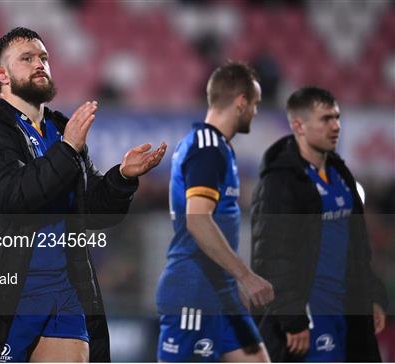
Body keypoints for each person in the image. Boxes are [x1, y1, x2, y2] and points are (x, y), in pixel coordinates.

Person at [0, 27, 166, 362]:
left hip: (63, 291)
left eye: (44, 58)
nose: (40, 64)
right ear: (1, 74)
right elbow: (13, 197)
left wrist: (121, 178)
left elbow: (92, 210)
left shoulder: (59, 132)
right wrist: (66, 151)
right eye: (27, 58)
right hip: (5, 295)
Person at [250, 86, 388, 362]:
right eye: (326, 119)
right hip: (312, 315)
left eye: (337, 118)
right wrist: (293, 318)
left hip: (348, 311)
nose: (336, 126)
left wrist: (372, 295)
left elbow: (357, 248)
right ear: (298, 125)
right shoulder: (281, 181)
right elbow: (272, 256)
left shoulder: (341, 175)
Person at [156, 62, 274, 362]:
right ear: (241, 102)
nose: (256, 112)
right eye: (255, 104)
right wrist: (246, 276)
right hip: (193, 294)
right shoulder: (207, 148)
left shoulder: (217, 148)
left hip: (220, 294)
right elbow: (198, 221)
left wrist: (232, 282)